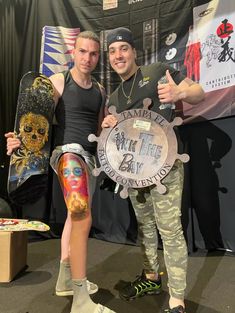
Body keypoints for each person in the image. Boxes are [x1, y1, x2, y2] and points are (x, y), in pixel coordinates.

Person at [5, 30, 115, 313]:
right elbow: (36, 117)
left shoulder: (100, 90)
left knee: (74, 218)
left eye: (93, 53)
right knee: (81, 213)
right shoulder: (59, 81)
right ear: (73, 53)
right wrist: (20, 139)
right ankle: (80, 300)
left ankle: (66, 281)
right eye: (82, 52)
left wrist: (109, 125)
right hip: (67, 155)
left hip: (89, 160)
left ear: (97, 56)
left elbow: (101, 126)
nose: (87, 58)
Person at [102, 27, 205, 313]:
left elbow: (199, 93)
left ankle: (177, 299)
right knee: (145, 227)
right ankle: (150, 278)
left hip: (167, 166)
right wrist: (108, 127)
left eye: (123, 48)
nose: (118, 55)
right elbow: (121, 138)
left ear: (134, 51)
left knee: (170, 230)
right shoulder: (113, 97)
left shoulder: (158, 70)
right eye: (112, 51)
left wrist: (179, 91)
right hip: (136, 172)